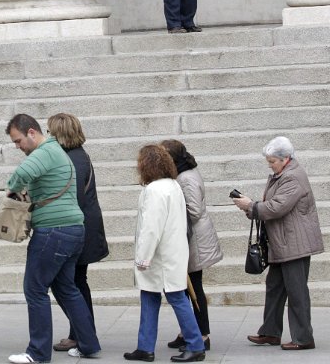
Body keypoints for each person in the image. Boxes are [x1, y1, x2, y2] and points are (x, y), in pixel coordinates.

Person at [4, 114, 100, 362]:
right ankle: (88, 345)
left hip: (53, 231)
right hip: (73, 229)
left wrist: (12, 188)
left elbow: (18, 177)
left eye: (18, 141)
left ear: (32, 133)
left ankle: (37, 353)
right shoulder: (58, 151)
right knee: (67, 289)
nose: (17, 146)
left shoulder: (44, 152)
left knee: (34, 289)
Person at [232, 136, 323, 351]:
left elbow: (277, 207)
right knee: (274, 287)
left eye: (272, 161)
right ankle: (270, 332)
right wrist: (251, 207)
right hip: (283, 242)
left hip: (294, 243)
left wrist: (251, 206)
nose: (270, 165)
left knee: (297, 291)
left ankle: (303, 338)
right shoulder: (281, 175)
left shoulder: (293, 177)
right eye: (269, 161)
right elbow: (272, 205)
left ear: (286, 158)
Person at [124, 145, 205, 363]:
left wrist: (143, 257)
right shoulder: (172, 185)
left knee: (175, 298)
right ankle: (145, 347)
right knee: (152, 297)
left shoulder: (154, 190)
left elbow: (151, 228)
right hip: (172, 253)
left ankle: (196, 345)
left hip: (160, 257)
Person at [47, 113, 109, 354]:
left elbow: (72, 198)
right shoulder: (79, 155)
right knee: (75, 282)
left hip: (80, 229)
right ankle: (81, 331)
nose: (48, 136)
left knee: (70, 283)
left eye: (51, 132)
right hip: (88, 226)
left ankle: (82, 333)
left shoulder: (71, 160)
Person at [161, 139, 222, 353]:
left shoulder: (186, 178)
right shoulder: (184, 172)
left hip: (193, 240)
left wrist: (169, 212)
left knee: (194, 288)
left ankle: (202, 335)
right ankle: (187, 331)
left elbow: (194, 211)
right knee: (185, 288)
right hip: (190, 239)